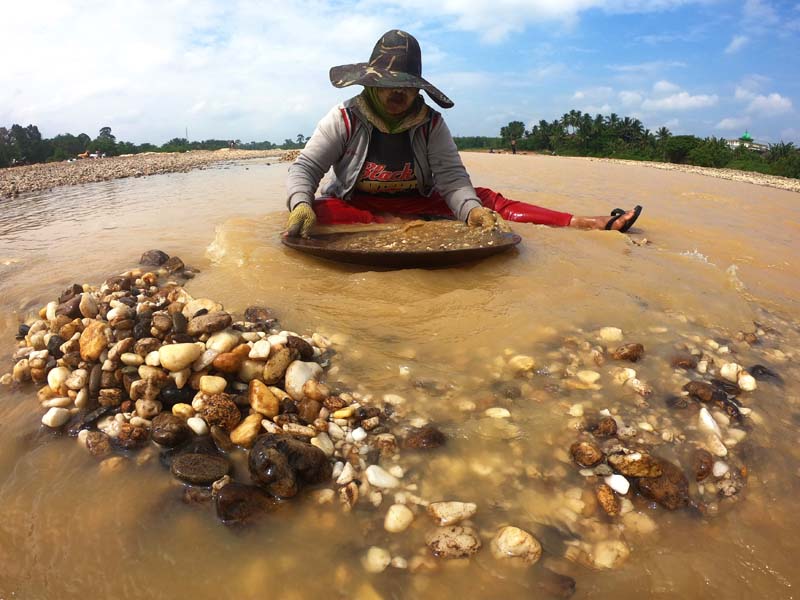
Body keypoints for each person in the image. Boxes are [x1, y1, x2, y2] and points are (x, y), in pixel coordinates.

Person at [284, 30, 642, 238]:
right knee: (317, 210)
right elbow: (306, 169)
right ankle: (390, 225)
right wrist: (300, 204)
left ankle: (582, 222)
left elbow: (452, 180)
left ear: (418, 89)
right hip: (357, 202)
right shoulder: (345, 118)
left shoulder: (431, 124)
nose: (398, 93)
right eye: (389, 85)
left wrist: (471, 213)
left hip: (418, 200)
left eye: (406, 86)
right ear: (371, 84)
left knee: (486, 200)